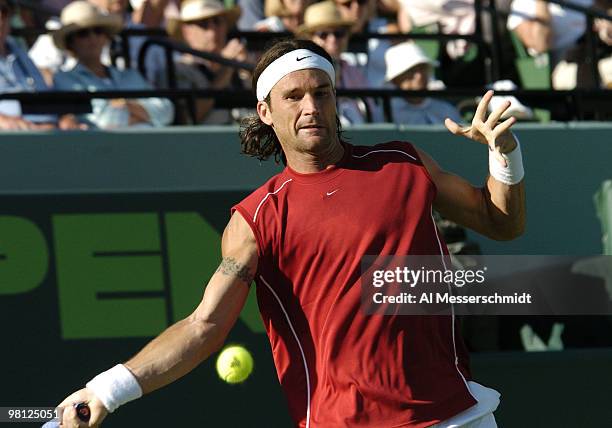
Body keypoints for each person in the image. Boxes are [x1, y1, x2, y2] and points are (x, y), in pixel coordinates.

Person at [57, 39, 525, 427]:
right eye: (294, 96)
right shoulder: (254, 219)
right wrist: (107, 390)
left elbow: (501, 223)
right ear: (265, 110)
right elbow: (204, 326)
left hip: (455, 415)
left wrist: (504, 154)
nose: (311, 107)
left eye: (322, 93)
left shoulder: (404, 164)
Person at [52, 1, 174, 129]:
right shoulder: (64, 79)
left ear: (106, 37)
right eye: (83, 33)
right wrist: (141, 113)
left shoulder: (130, 75)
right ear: (70, 42)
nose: (93, 38)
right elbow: (102, 121)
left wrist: (125, 106)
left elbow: (167, 110)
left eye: (98, 31)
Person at [297, 0, 383, 125]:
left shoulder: (352, 71)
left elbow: (373, 114)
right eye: (323, 34)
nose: (333, 40)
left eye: (339, 33)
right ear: (309, 38)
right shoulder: (299, 72)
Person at [0, 0, 81, 130]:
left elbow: (43, 97)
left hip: (44, 135)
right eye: (83, 34)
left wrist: (63, 118)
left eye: (4, 10)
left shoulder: (20, 54)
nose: (0, 18)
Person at [168, 0, 251, 124]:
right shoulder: (179, 69)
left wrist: (250, 71)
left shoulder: (239, 63)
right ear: (186, 31)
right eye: (203, 24)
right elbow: (187, 118)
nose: (212, 30)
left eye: (217, 21)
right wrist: (227, 69)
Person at [384, 41, 462, 125]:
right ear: (395, 80)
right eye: (411, 71)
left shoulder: (447, 110)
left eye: (422, 68)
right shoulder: (384, 113)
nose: (419, 76)